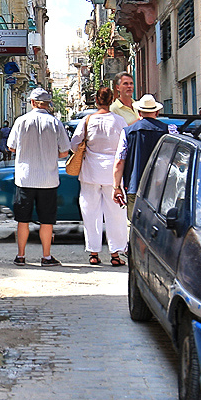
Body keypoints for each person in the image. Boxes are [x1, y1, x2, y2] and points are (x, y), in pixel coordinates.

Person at [6, 87, 71, 266]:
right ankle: (46, 256)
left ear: (32, 103)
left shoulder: (21, 121)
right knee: (47, 221)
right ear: (48, 104)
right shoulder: (55, 123)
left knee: (22, 220)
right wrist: (50, 155)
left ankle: (20, 256)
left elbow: (11, 147)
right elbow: (65, 151)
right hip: (48, 180)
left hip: (25, 179)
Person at [71, 87, 129, 267]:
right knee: (116, 215)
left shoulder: (87, 120)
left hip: (90, 172)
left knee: (90, 213)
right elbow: (126, 147)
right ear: (112, 100)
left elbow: (74, 145)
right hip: (113, 174)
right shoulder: (120, 121)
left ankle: (94, 253)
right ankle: (116, 253)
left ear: (96, 100)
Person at [115, 94, 172, 205]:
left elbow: (119, 161)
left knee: (134, 222)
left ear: (139, 113)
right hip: (162, 189)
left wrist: (116, 187)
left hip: (134, 187)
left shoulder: (127, 132)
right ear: (156, 112)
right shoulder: (169, 130)